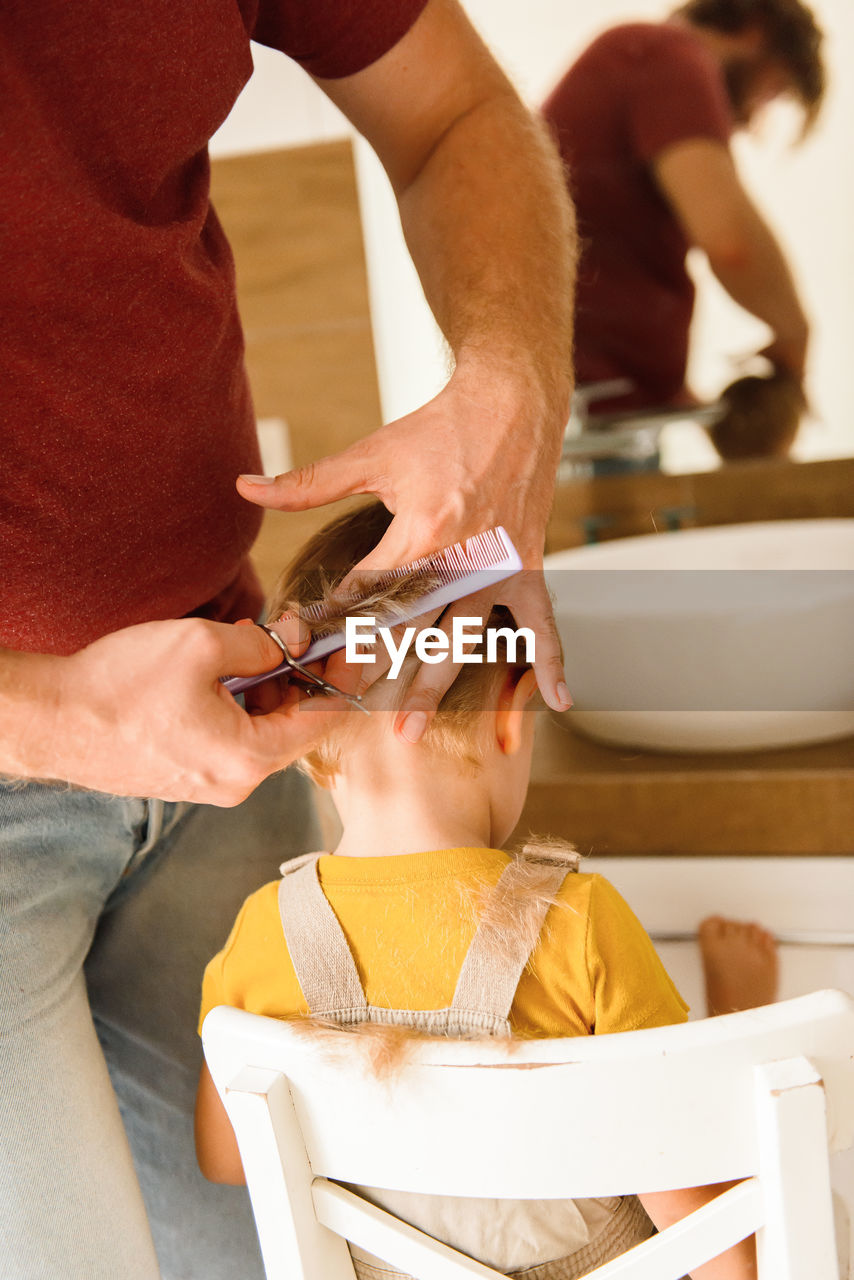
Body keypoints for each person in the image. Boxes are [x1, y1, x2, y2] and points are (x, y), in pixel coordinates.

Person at [0, 3, 577, 1277]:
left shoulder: (282, 932)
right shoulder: (573, 927)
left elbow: (455, 118)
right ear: (501, 716)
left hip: (225, 732)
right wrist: (42, 715)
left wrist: (512, 383)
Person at [195, 500, 770, 1280]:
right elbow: (727, 1256)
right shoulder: (578, 926)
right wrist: (739, 1021)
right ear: (514, 714)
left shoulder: (261, 939)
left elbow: (228, 1159)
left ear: (305, 746)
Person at [542, 0, 824, 417]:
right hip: (591, 424)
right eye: (774, 90)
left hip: (601, 411)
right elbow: (731, 243)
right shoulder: (666, 54)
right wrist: (794, 332)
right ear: (756, 32)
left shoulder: (639, 61)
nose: (751, 114)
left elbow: (616, 275)